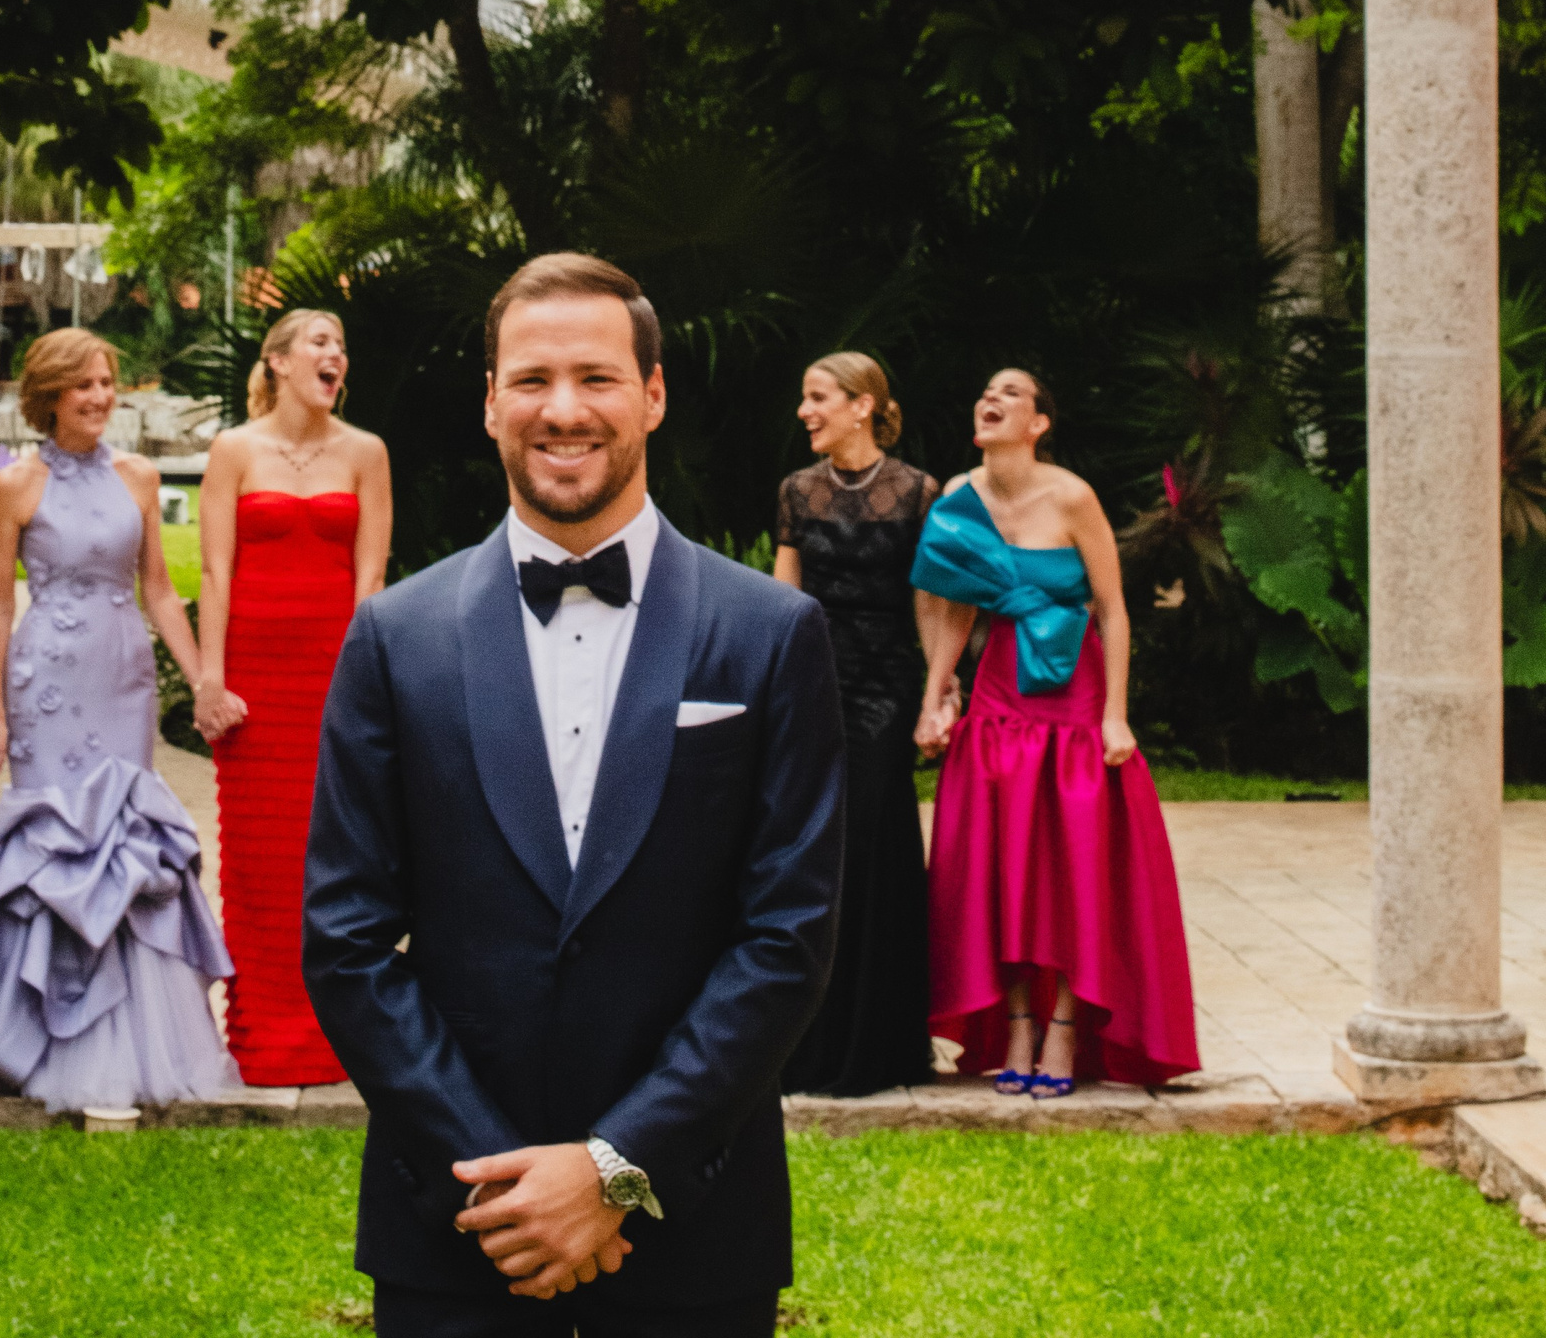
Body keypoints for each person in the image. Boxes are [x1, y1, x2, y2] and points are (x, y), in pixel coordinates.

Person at [303, 251, 845, 1338]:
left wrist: (614, 1168)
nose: (563, 409)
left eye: (597, 376)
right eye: (532, 379)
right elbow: (347, 938)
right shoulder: (395, 638)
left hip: (694, 1231)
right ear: (490, 401)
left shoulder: (772, 633)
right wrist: (501, 1185)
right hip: (460, 1229)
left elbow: (788, 935)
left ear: (653, 393)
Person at [0, 329, 239, 1108]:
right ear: (50, 395)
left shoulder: (140, 476)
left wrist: (204, 679)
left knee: (123, 838)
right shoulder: (15, 484)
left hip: (121, 675)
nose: (99, 397)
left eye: (106, 382)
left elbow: (159, 590)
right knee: (55, 843)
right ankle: (35, 1034)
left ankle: (140, 1040)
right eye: (83, 384)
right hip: (47, 685)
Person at [911, 365, 1199, 1093]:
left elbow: (1114, 609)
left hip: (1075, 697)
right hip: (999, 692)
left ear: (1039, 423)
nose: (990, 397)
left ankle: (1065, 1029)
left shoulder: (1073, 496)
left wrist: (1115, 714)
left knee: (1074, 866)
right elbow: (955, 606)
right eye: (985, 390)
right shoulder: (958, 496)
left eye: (1010, 392)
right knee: (1001, 862)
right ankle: (1016, 1026)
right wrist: (935, 694)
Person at [194, 306, 392, 1085]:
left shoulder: (367, 452)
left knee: (335, 853)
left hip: (333, 675)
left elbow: (371, 578)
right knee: (258, 860)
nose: (335, 353)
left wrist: (362, 682)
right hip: (254, 681)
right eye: (319, 341)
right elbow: (215, 570)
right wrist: (211, 678)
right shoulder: (233, 450)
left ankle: (335, 1032)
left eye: (340, 343)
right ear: (277, 361)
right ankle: (263, 1035)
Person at [772, 351, 937, 1095]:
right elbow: (784, 601)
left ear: (862, 404)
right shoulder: (796, 490)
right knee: (809, 854)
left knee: (871, 851)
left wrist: (936, 691)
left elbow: (931, 602)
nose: (805, 411)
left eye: (818, 397)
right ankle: (805, 1040)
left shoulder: (918, 491)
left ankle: (879, 1045)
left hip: (886, 692)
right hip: (814, 687)